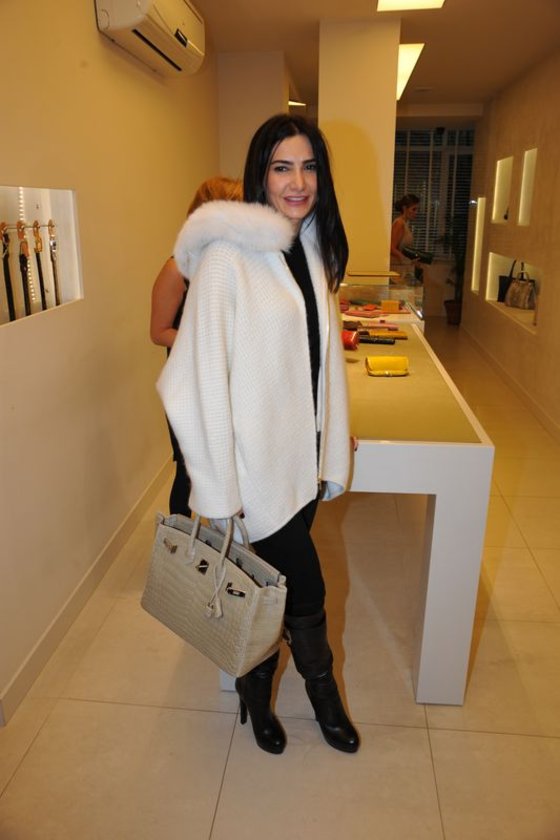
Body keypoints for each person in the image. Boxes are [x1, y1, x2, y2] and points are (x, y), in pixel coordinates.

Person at [157, 113, 360, 755]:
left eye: (309, 166)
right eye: (282, 167)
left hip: (300, 460)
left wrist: (334, 433)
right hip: (252, 472)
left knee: (266, 589)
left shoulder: (311, 249)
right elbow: (192, 381)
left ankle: (254, 692)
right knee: (305, 587)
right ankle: (321, 697)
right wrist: (219, 491)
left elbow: (317, 360)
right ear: (259, 175)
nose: (298, 182)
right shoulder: (227, 257)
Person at [150, 176, 242, 516]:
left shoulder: (233, 263)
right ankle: (178, 543)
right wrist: (208, 342)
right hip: (190, 384)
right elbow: (158, 332)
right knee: (190, 471)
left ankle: (229, 539)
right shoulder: (177, 268)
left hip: (229, 380)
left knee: (232, 466)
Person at [390, 193, 421, 284]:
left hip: (403, 268)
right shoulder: (399, 223)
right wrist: (406, 260)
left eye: (417, 209)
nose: (416, 212)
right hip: (398, 269)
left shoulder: (404, 223)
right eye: (413, 209)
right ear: (404, 208)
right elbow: (391, 248)